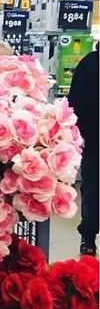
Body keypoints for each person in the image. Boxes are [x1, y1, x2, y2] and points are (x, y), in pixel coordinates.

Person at [68, 46, 98, 256]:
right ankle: (88, 235)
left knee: (92, 192)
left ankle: (88, 238)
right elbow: (75, 104)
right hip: (94, 142)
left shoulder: (88, 64)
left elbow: (74, 103)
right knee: (93, 192)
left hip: (93, 143)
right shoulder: (90, 64)